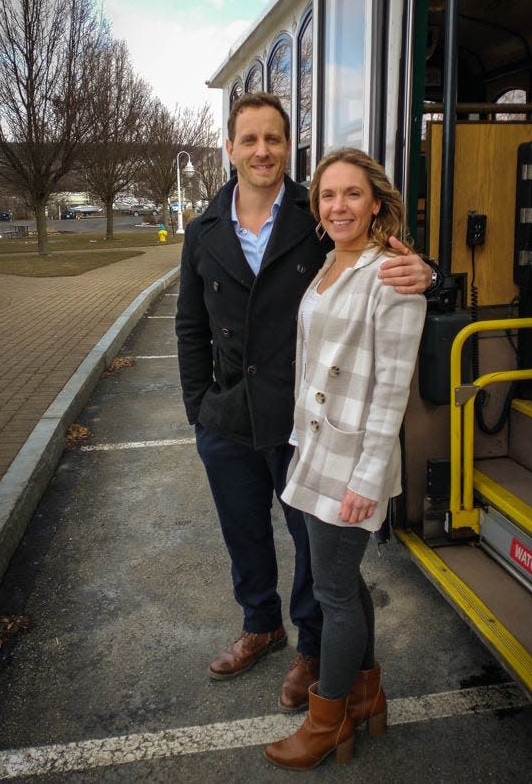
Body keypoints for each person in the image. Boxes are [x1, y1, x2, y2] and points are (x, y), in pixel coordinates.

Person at [175, 93, 435, 713]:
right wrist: (199, 408)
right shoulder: (204, 229)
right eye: (249, 139)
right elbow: (189, 326)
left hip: (302, 423)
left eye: (273, 138)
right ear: (231, 148)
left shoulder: (318, 210)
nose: (261, 150)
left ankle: (313, 650)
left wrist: (431, 275)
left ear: (288, 146)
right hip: (229, 419)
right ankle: (260, 626)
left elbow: (386, 263)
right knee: (245, 537)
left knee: (315, 554)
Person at [263, 148, 427, 769]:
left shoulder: (391, 275)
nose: (338, 206)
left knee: (331, 590)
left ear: (376, 202)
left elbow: (392, 391)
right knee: (342, 582)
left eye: (352, 194)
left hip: (354, 460)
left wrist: (366, 479)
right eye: (328, 196)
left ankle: (327, 718)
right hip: (317, 447)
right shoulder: (333, 262)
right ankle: (366, 694)